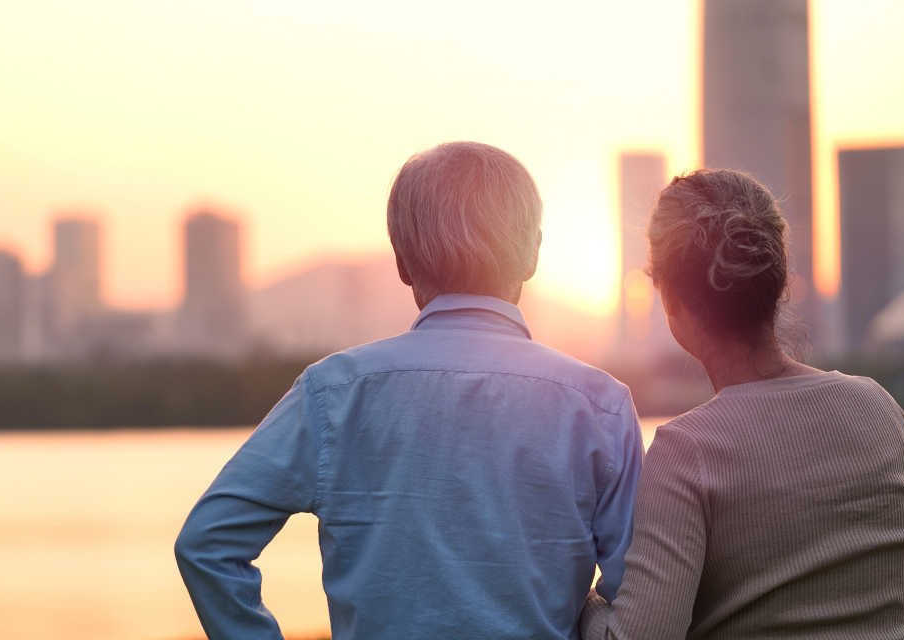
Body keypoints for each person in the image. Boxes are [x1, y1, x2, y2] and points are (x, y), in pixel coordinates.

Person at [175, 141, 644, 639]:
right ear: (533, 254)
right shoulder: (600, 406)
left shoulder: (334, 394)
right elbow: (639, 595)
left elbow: (207, 545)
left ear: (401, 262)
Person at [581, 169, 904, 639]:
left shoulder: (688, 451)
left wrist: (578, 594)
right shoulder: (877, 408)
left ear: (670, 300)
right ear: (779, 285)